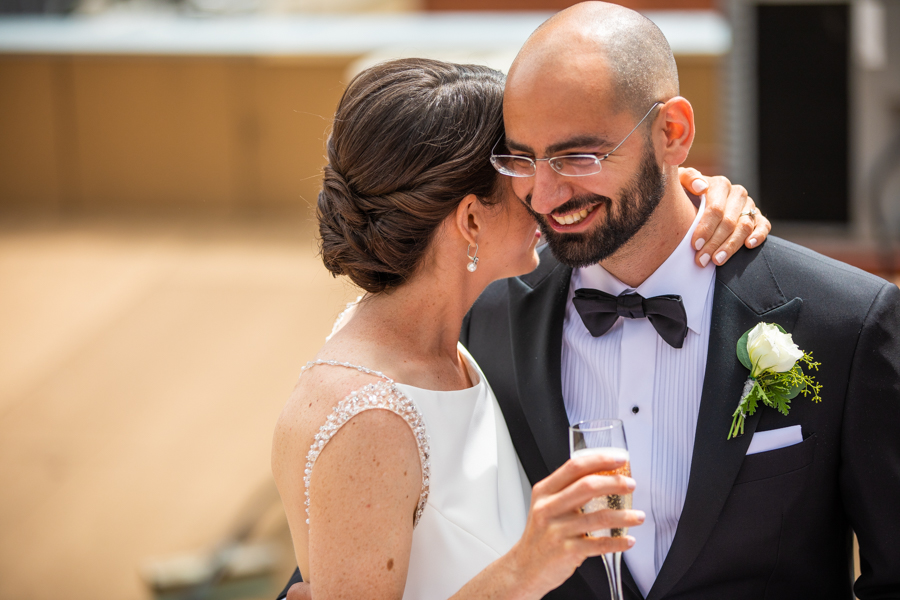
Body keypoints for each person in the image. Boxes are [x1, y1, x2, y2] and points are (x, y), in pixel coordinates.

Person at [272, 57, 768, 599]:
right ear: (469, 220)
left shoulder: (452, 347)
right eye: (521, 168)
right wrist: (526, 568)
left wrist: (686, 193)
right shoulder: (367, 415)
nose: (547, 194)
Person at [458, 3, 900, 599]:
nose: (544, 192)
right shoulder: (483, 319)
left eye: (577, 157)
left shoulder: (847, 321)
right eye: (523, 159)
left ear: (672, 133)